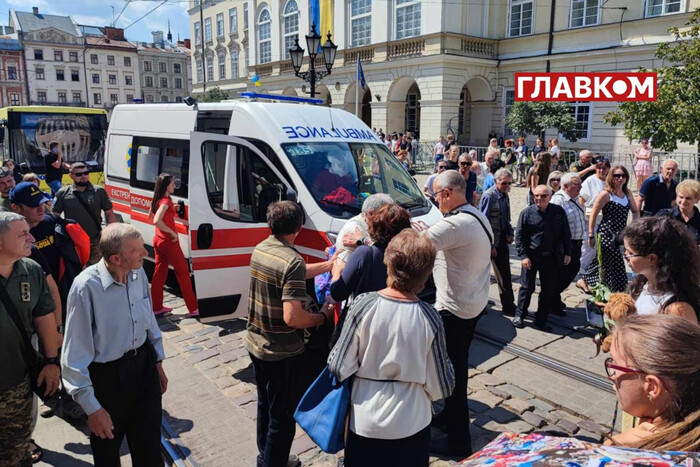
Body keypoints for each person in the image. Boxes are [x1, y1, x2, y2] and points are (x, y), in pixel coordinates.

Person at [328, 230, 454, 467]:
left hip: (365, 420)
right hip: (412, 423)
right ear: (426, 274)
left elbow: (337, 365)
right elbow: (443, 384)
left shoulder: (363, 306)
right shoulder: (430, 318)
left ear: (389, 263)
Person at [61, 224, 168, 466]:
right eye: (137, 250)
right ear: (115, 258)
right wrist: (92, 408)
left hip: (144, 366)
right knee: (108, 450)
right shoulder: (85, 288)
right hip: (108, 379)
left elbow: (148, 319)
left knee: (149, 447)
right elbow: (74, 356)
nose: (144, 254)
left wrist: (158, 362)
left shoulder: (137, 272)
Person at [244, 201, 336, 467]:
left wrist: (328, 265)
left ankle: (266, 455)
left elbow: (290, 275)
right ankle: (274, 462)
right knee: (282, 420)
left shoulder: (262, 248)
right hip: (281, 351)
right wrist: (322, 317)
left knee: (265, 405)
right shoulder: (292, 261)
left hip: (256, 344)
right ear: (298, 227)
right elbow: (293, 317)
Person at [425, 170, 493, 457]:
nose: (435, 201)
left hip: (456, 310)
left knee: (453, 374)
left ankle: (459, 442)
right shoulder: (476, 215)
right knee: (456, 366)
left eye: (435, 196)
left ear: (448, 194)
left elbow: (411, 248)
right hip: (472, 303)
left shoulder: (455, 225)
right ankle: (449, 417)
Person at [0, 212, 60, 467]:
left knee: (16, 454)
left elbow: (44, 316)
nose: (32, 238)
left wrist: (51, 361)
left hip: (17, 385)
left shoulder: (31, 270)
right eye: (22, 234)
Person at [605, 314, 700, 452]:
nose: (611, 376)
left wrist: (608, 449)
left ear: (652, 387)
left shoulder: (631, 455)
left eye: (614, 364)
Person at [330, 204, 411, 343]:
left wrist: (336, 271)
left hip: (362, 326)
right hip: (397, 326)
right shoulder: (410, 256)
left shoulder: (365, 253)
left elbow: (338, 293)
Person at [513, 185, 572, 331]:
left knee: (548, 289)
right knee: (527, 287)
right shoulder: (527, 213)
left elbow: (566, 233)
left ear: (550, 197)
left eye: (543, 196)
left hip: (551, 257)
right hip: (531, 257)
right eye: (536, 195)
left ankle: (541, 319)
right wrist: (523, 256)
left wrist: (568, 253)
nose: (539, 198)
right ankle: (520, 314)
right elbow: (519, 236)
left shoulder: (558, 212)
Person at [620, 217, 700, 323]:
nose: (625, 255)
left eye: (630, 253)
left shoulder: (677, 309)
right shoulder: (643, 284)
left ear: (652, 259)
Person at [582, 166, 640, 293]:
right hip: (606, 232)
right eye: (617, 176)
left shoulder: (627, 193)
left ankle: (586, 280)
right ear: (611, 178)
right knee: (614, 261)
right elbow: (594, 213)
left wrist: (633, 228)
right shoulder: (606, 194)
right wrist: (591, 234)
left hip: (621, 233)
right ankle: (616, 290)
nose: (620, 178)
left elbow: (635, 211)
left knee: (606, 261)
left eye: (623, 176)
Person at [149, 173, 198, 317]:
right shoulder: (165, 202)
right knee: (183, 273)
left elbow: (150, 215)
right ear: (166, 186)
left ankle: (156, 307)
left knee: (159, 275)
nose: (174, 185)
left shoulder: (158, 200)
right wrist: (172, 232)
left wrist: (172, 211)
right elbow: (156, 220)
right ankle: (193, 308)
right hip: (169, 242)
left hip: (158, 240)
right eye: (172, 183)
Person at [53, 162, 116, 265]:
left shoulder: (99, 191)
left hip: (95, 241)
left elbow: (109, 213)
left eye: (86, 173)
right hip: (73, 242)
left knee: (95, 271)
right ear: (71, 176)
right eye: (79, 174)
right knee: (76, 271)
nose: (83, 176)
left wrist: (110, 234)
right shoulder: (62, 193)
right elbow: (55, 216)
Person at [479, 168, 516, 315]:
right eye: (503, 183)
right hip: (489, 242)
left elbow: (506, 218)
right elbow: (483, 221)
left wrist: (510, 232)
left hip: (502, 240)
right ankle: (480, 305)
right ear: (496, 182)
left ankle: (508, 305)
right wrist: (490, 245)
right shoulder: (489, 196)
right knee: (482, 275)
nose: (506, 186)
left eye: (509, 183)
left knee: (505, 273)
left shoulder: (505, 196)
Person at [550, 173, 586, 316]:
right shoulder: (558, 200)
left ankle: (553, 297)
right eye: (576, 184)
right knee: (563, 273)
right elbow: (554, 226)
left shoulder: (574, 198)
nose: (580, 186)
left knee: (571, 270)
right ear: (565, 186)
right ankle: (551, 299)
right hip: (565, 245)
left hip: (576, 243)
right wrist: (563, 249)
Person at [577, 158, 611, 285]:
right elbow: (582, 198)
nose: (601, 171)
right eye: (599, 168)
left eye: (604, 168)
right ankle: (581, 269)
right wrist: (585, 210)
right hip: (591, 217)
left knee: (600, 247)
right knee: (589, 245)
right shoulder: (591, 181)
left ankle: (594, 270)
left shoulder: (609, 182)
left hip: (606, 219)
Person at [335, 193, 393, 262]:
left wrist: (364, 241)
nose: (389, 218)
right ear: (371, 213)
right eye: (385, 214)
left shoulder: (368, 225)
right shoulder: (354, 230)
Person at [657, 179, 700, 244]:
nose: (683, 201)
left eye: (688, 198)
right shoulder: (665, 215)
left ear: (697, 200)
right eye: (681, 197)